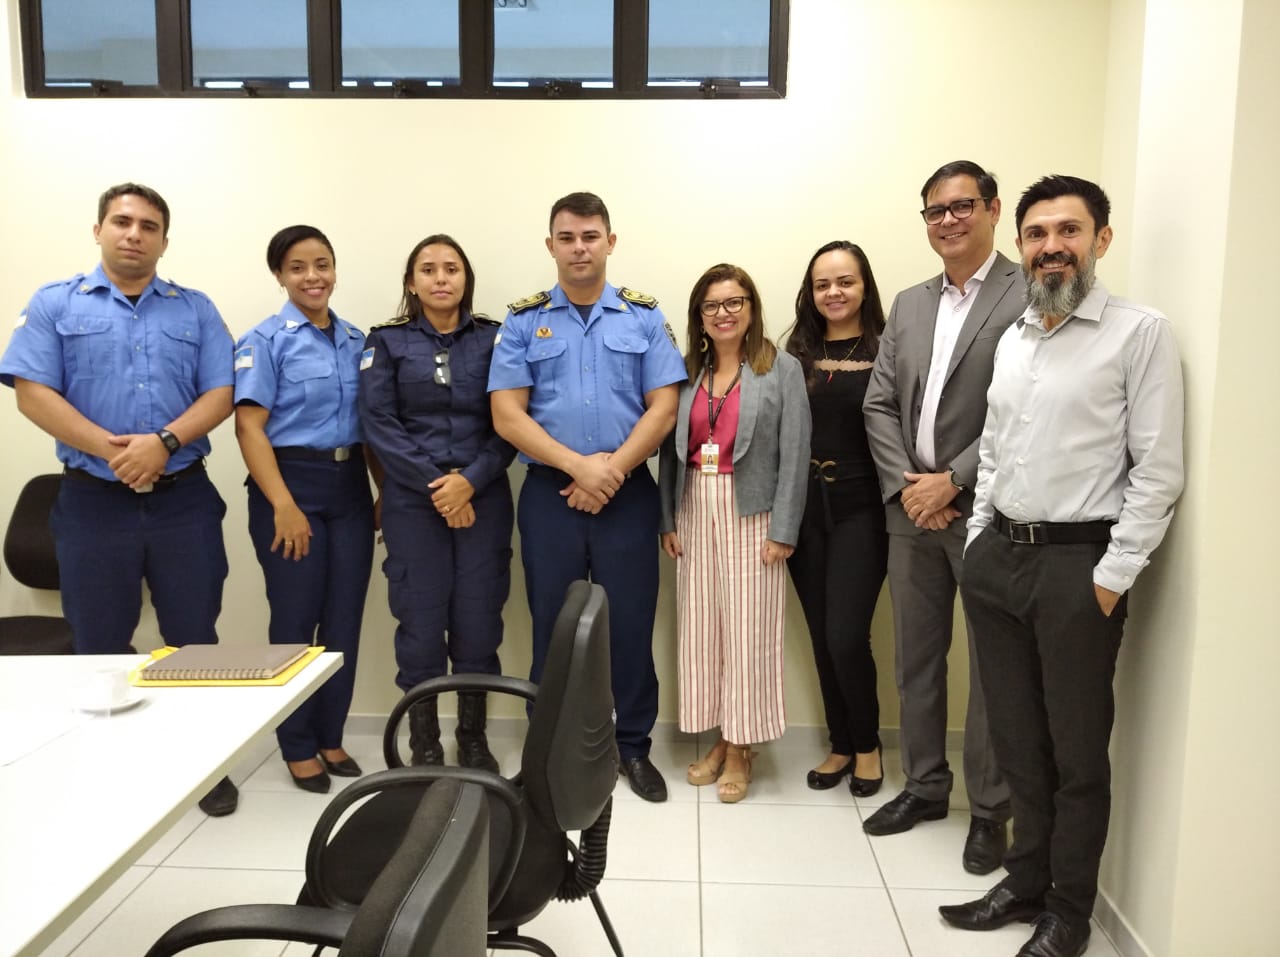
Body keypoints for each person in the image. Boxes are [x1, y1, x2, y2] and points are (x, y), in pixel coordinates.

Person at [940, 176, 1184, 957]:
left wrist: (1111, 578)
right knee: (1018, 741)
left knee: (1077, 752)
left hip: (1080, 566)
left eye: (1069, 230)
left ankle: (1069, 911)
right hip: (999, 559)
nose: (1052, 246)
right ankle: (1025, 880)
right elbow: (1001, 449)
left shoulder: (1138, 333)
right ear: (1022, 245)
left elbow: (1158, 471)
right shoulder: (1016, 337)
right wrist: (980, 539)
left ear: (1100, 240)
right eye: (1038, 232)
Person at [0, 183, 239, 816]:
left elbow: (219, 393)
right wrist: (118, 452)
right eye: (122, 222)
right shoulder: (55, 305)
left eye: (149, 226)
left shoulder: (195, 309)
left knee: (192, 639)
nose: (134, 234)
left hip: (183, 501)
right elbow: (32, 393)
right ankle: (109, 768)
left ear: (165, 239)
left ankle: (201, 766)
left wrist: (161, 443)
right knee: (99, 641)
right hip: (92, 504)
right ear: (99, 230)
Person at [488, 191, 686, 802]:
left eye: (591, 235)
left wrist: (612, 472)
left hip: (627, 495)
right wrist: (580, 467)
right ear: (551, 245)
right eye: (567, 237)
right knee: (553, 628)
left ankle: (632, 748)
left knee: (628, 625)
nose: (580, 247)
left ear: (610, 242)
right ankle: (549, 754)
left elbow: (665, 406)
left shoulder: (644, 317)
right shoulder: (522, 322)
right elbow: (506, 415)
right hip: (551, 494)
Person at [862, 160, 1021, 874]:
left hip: (985, 510)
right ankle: (925, 784)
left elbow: (1028, 409)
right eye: (935, 211)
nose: (948, 220)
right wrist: (910, 488)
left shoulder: (1027, 294)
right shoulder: (910, 301)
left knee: (992, 671)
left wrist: (951, 479)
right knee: (916, 657)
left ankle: (991, 810)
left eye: (962, 206)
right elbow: (878, 404)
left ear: (992, 209)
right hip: (911, 512)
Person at [359, 234, 515, 773]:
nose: (441, 278)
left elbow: (514, 421)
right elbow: (379, 424)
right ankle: (424, 740)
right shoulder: (386, 343)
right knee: (420, 622)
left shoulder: (498, 339)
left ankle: (472, 737)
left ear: (466, 278)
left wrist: (469, 482)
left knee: (478, 621)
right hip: (413, 505)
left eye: (451, 268)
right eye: (428, 269)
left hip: (484, 500)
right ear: (411, 282)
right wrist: (441, 488)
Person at [658, 263, 810, 803]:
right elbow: (670, 454)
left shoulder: (781, 368)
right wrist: (668, 520)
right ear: (699, 316)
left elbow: (795, 453)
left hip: (754, 512)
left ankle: (742, 746)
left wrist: (784, 528)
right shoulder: (687, 372)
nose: (723, 313)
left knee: (748, 633)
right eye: (711, 305)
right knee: (702, 630)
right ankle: (721, 736)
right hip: (695, 505)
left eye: (734, 302)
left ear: (750, 308)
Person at [233, 225, 375, 794]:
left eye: (322, 264)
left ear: (335, 269)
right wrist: (283, 505)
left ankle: (330, 734)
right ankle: (295, 743)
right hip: (288, 486)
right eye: (297, 267)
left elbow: (372, 430)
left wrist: (382, 490)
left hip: (349, 487)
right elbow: (248, 425)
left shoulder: (358, 340)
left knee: (343, 623)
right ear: (279, 276)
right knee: (295, 623)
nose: (312, 276)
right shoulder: (263, 341)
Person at [783, 241, 888, 797]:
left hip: (862, 508)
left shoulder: (889, 348)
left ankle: (869, 746)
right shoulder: (792, 354)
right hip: (804, 511)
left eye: (845, 282)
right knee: (822, 636)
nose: (834, 293)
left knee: (848, 636)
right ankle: (840, 743)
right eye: (823, 284)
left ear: (864, 286)